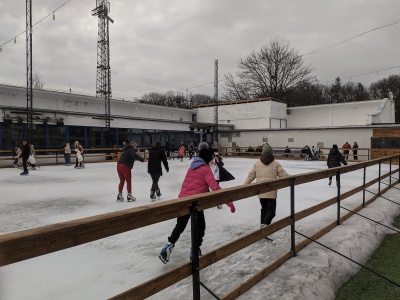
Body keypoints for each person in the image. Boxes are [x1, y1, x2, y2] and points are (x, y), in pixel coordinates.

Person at [159, 148, 235, 264]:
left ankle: (168, 247)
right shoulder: (205, 169)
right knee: (200, 227)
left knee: (180, 226)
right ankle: (195, 251)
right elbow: (215, 188)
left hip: (183, 200)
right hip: (195, 203)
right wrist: (229, 202)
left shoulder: (192, 167)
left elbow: (191, 185)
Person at [243, 144, 290, 234]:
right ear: (271, 153)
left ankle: (263, 227)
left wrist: (244, 185)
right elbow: (283, 175)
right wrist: (293, 178)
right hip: (271, 192)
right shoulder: (276, 163)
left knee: (264, 209)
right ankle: (264, 226)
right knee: (271, 211)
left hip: (261, 191)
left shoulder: (257, 163)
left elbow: (250, 176)